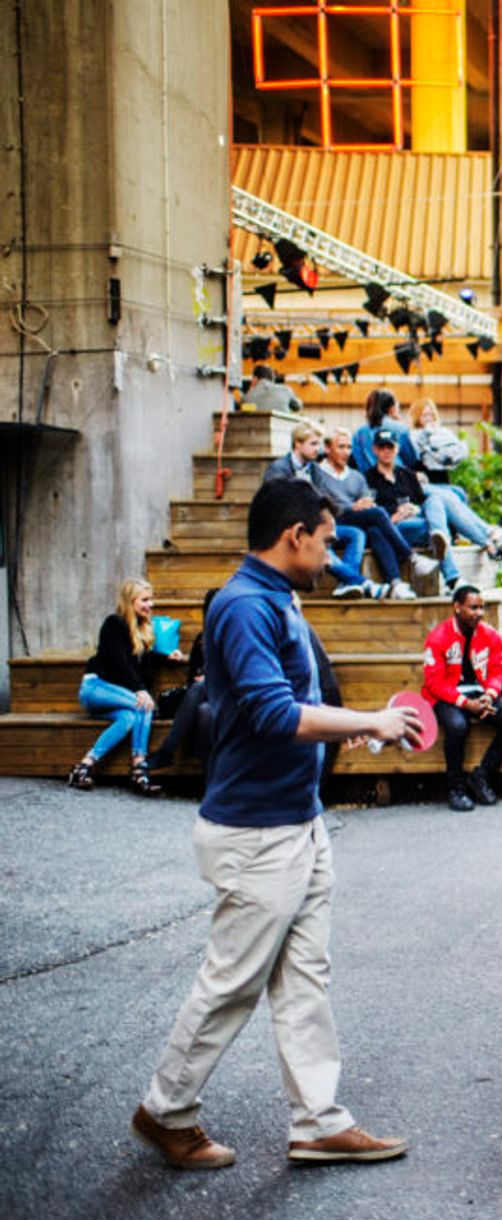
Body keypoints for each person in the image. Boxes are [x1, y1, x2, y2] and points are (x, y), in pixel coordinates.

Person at [132, 478, 419, 1171]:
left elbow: (293, 709)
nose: (331, 554)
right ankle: (166, 1110)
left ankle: (318, 1121)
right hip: (257, 832)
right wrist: (369, 720)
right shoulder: (241, 605)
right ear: (295, 535)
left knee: (304, 978)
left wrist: (340, 729)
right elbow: (272, 712)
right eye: (326, 539)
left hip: (296, 820)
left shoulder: (275, 598)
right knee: (231, 981)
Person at [365, 427, 502, 593]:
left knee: (435, 501)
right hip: (396, 529)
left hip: (420, 523)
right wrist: (394, 516)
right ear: (375, 450)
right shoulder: (368, 479)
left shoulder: (407, 475)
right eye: (382, 447)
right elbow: (373, 516)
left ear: (397, 448)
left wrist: (415, 509)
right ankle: (480, 549)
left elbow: (420, 502)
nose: (386, 451)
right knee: (438, 526)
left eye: (390, 446)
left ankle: (447, 556)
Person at [67, 577, 185, 795]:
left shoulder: (141, 628)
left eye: (152, 599)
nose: (151, 605)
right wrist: (140, 690)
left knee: (129, 718)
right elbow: (119, 661)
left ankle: (83, 767)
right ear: (130, 601)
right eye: (145, 600)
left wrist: (168, 655)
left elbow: (144, 659)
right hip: (96, 688)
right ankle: (139, 768)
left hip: (119, 696)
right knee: (144, 703)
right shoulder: (114, 623)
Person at [423, 585, 502, 811]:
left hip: (479, 692)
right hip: (447, 696)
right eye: (473, 608)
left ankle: (482, 776)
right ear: (457, 608)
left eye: (481, 608)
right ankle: (455, 788)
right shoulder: (438, 637)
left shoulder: (490, 635)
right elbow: (434, 683)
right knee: (457, 725)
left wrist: (489, 695)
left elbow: (498, 670)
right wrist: (466, 704)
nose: (479, 613)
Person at [262, 425, 379, 599]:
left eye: (319, 444)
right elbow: (277, 506)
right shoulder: (278, 469)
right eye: (313, 444)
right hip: (290, 528)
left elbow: (323, 500)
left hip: (313, 523)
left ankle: (345, 584)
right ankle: (362, 583)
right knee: (319, 541)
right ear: (298, 444)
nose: (318, 449)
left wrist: (349, 508)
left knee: (355, 533)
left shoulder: (314, 469)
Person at [313, 428, 431, 598]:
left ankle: (395, 584)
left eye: (349, 447)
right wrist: (351, 506)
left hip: (355, 523)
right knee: (378, 513)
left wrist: (366, 504)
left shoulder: (356, 476)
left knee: (375, 530)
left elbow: (367, 502)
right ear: (328, 449)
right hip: (332, 521)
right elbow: (318, 504)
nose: (346, 452)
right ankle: (411, 557)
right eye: (341, 447)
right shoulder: (316, 473)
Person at [150, 589, 222, 771]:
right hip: (205, 696)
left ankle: (167, 751)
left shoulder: (237, 636)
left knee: (201, 690)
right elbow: (191, 679)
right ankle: (167, 753)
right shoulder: (201, 639)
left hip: (228, 694)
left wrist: (211, 678)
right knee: (201, 699)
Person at [350, 388, 421, 474]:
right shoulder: (401, 429)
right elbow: (411, 459)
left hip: (369, 481)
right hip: (397, 479)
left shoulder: (358, 433)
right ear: (392, 409)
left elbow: (359, 462)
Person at [407, 398, 468, 485]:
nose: (428, 418)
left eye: (430, 415)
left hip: (442, 477)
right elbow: (414, 454)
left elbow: (459, 450)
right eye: (424, 415)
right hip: (422, 478)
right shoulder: (411, 435)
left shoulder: (443, 432)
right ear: (417, 417)